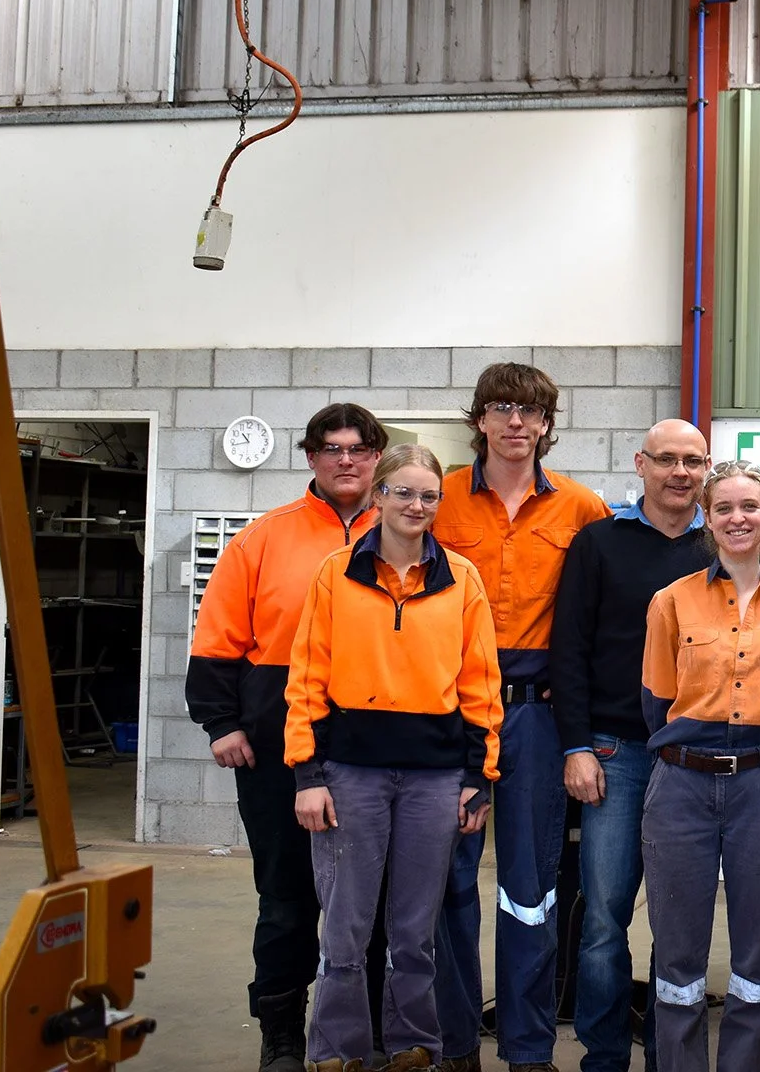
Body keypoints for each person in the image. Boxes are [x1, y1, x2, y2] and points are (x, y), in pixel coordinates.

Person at [285, 444, 504, 1072]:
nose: (415, 505)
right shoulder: (336, 573)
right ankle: (335, 1051)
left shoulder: (462, 580)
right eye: (403, 492)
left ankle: (413, 1046)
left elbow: (481, 687)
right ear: (378, 496)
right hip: (348, 774)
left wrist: (477, 779)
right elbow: (306, 678)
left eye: (428, 495)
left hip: (436, 780)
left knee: (414, 930)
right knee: (346, 928)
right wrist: (308, 774)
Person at [186, 403, 387, 1072]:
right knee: (286, 895)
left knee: (378, 893)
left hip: (380, 742)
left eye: (359, 448)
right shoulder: (263, 539)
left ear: (377, 455)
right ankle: (280, 1032)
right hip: (275, 745)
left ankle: (377, 1031)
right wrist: (222, 722)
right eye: (332, 448)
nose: (347, 460)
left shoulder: (410, 532)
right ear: (309, 458)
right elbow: (216, 636)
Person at [431, 362, 612, 1072]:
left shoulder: (581, 508)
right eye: (502, 408)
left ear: (547, 424)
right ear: (478, 418)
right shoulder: (436, 502)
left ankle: (528, 1047)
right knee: (446, 881)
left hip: (537, 718)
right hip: (448, 718)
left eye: (530, 411)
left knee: (529, 891)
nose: (516, 422)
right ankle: (453, 1044)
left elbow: (602, 615)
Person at [640, 462, 760, 1072]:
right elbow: (657, 702)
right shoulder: (672, 601)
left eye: (750, 507)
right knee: (678, 953)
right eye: (724, 509)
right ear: (707, 519)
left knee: (758, 951)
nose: (737, 519)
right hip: (681, 785)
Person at [551, 420, 715, 1072]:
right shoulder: (598, 544)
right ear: (641, 465)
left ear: (706, 469)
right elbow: (569, 651)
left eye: (693, 461)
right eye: (667, 460)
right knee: (603, 920)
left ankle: (668, 1058)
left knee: (679, 925)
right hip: (614, 752)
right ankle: (604, 1056)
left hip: (693, 760)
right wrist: (575, 748)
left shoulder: (720, 548)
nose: (680, 472)